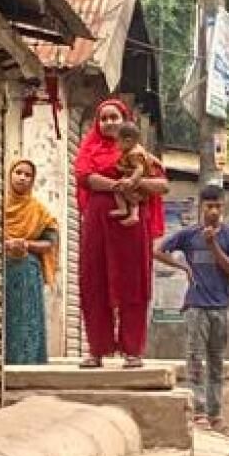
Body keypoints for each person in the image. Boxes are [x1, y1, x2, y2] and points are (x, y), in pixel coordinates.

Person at [74, 98, 169, 367]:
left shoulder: (139, 153)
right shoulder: (89, 150)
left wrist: (135, 183)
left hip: (132, 226)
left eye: (114, 117)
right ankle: (97, 349)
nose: (109, 123)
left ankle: (132, 350)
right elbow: (85, 178)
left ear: (125, 121)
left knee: (133, 284)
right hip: (98, 222)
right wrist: (118, 186)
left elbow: (162, 186)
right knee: (94, 281)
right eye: (103, 118)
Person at [154, 185, 229, 429]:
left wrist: (213, 245)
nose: (213, 211)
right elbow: (158, 251)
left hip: (220, 307)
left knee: (216, 361)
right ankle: (199, 412)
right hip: (196, 306)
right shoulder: (189, 234)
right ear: (201, 207)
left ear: (223, 207)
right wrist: (182, 267)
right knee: (195, 360)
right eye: (209, 206)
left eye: (217, 207)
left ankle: (216, 414)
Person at [4, 159, 58, 364]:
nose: (22, 178)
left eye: (28, 175)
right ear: (10, 174)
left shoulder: (38, 211)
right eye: (18, 172)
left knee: (27, 320)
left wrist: (26, 244)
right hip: (1, 272)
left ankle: (29, 361)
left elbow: (50, 242)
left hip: (27, 275)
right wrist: (7, 245)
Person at [108, 121, 156, 226]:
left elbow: (139, 169)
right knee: (124, 191)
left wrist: (131, 180)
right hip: (137, 179)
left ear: (128, 141)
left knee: (120, 189)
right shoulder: (135, 149)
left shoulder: (133, 154)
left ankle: (126, 210)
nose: (116, 145)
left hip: (137, 180)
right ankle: (131, 213)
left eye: (118, 141)